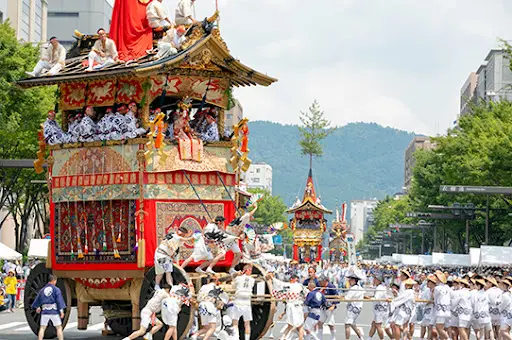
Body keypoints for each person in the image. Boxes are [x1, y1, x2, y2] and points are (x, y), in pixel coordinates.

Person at [31, 274, 66, 340]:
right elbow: (59, 300)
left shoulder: (42, 290)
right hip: (54, 311)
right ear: (54, 280)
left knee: (42, 328)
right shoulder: (56, 289)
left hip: (45, 311)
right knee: (58, 327)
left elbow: (38, 299)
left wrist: (38, 307)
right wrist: (61, 311)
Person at [230, 264, 255, 340]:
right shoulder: (252, 280)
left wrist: (237, 275)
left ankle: (236, 338)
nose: (250, 272)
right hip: (247, 301)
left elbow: (233, 286)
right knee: (247, 323)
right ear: (247, 270)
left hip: (238, 300)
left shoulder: (238, 278)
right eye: (250, 270)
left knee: (235, 322)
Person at [344, 272, 364, 340]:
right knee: (352, 324)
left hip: (352, 309)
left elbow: (347, 298)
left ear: (354, 280)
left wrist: (339, 298)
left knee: (347, 324)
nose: (349, 281)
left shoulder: (353, 288)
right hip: (358, 309)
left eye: (350, 280)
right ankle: (361, 337)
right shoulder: (360, 288)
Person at [369, 274, 389, 340]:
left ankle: (382, 339)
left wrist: (370, 299)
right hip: (379, 308)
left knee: (378, 325)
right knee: (374, 324)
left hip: (380, 309)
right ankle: (369, 338)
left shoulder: (380, 288)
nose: (373, 280)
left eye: (375, 279)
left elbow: (376, 298)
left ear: (378, 280)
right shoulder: (380, 287)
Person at [318, 275, 338, 340]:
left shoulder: (331, 286)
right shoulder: (320, 287)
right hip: (323, 307)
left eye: (321, 281)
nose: (320, 283)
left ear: (325, 281)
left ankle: (333, 337)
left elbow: (336, 296)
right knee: (320, 322)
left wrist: (333, 305)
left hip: (330, 307)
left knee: (330, 323)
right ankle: (320, 337)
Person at [434, 271, 451, 340]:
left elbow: (435, 299)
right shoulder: (447, 287)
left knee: (439, 328)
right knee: (443, 328)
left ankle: (448, 338)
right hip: (447, 309)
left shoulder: (437, 288)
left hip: (440, 310)